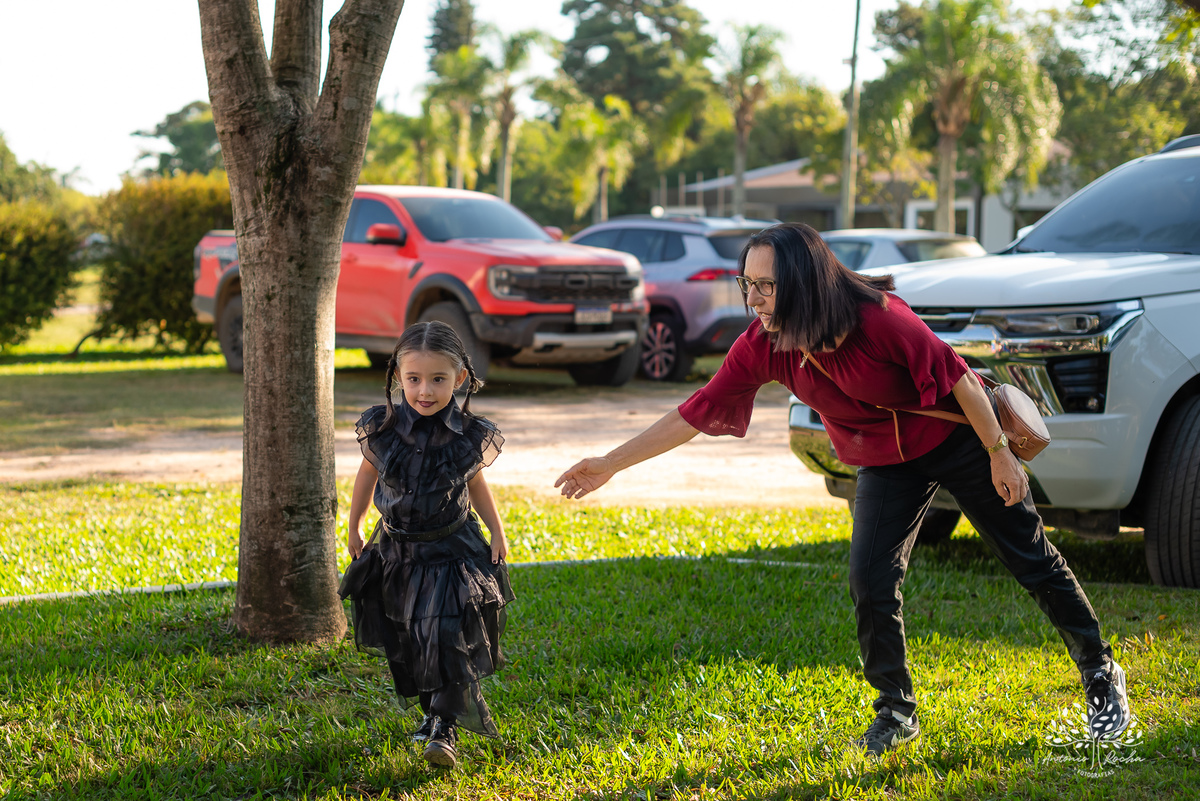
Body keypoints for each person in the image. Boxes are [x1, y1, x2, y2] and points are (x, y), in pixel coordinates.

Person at [555, 223, 1130, 755]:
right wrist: (610, 462)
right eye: (746, 284)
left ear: (803, 284)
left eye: (765, 287)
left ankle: (1100, 671)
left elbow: (957, 378)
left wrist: (999, 453)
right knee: (870, 578)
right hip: (885, 461)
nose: (752, 300)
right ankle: (897, 710)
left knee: (1029, 557)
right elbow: (695, 412)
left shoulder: (878, 318)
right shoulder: (763, 343)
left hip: (960, 440)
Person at [340, 321, 513, 770]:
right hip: (398, 551)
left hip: (451, 550)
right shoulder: (383, 426)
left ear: (458, 379)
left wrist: (497, 529)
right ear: (398, 375)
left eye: (438, 379)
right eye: (414, 379)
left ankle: (444, 725)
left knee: (445, 633)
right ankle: (431, 713)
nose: (424, 391)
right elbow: (367, 474)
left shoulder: (465, 434)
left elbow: (475, 482)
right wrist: (354, 523)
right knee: (414, 637)